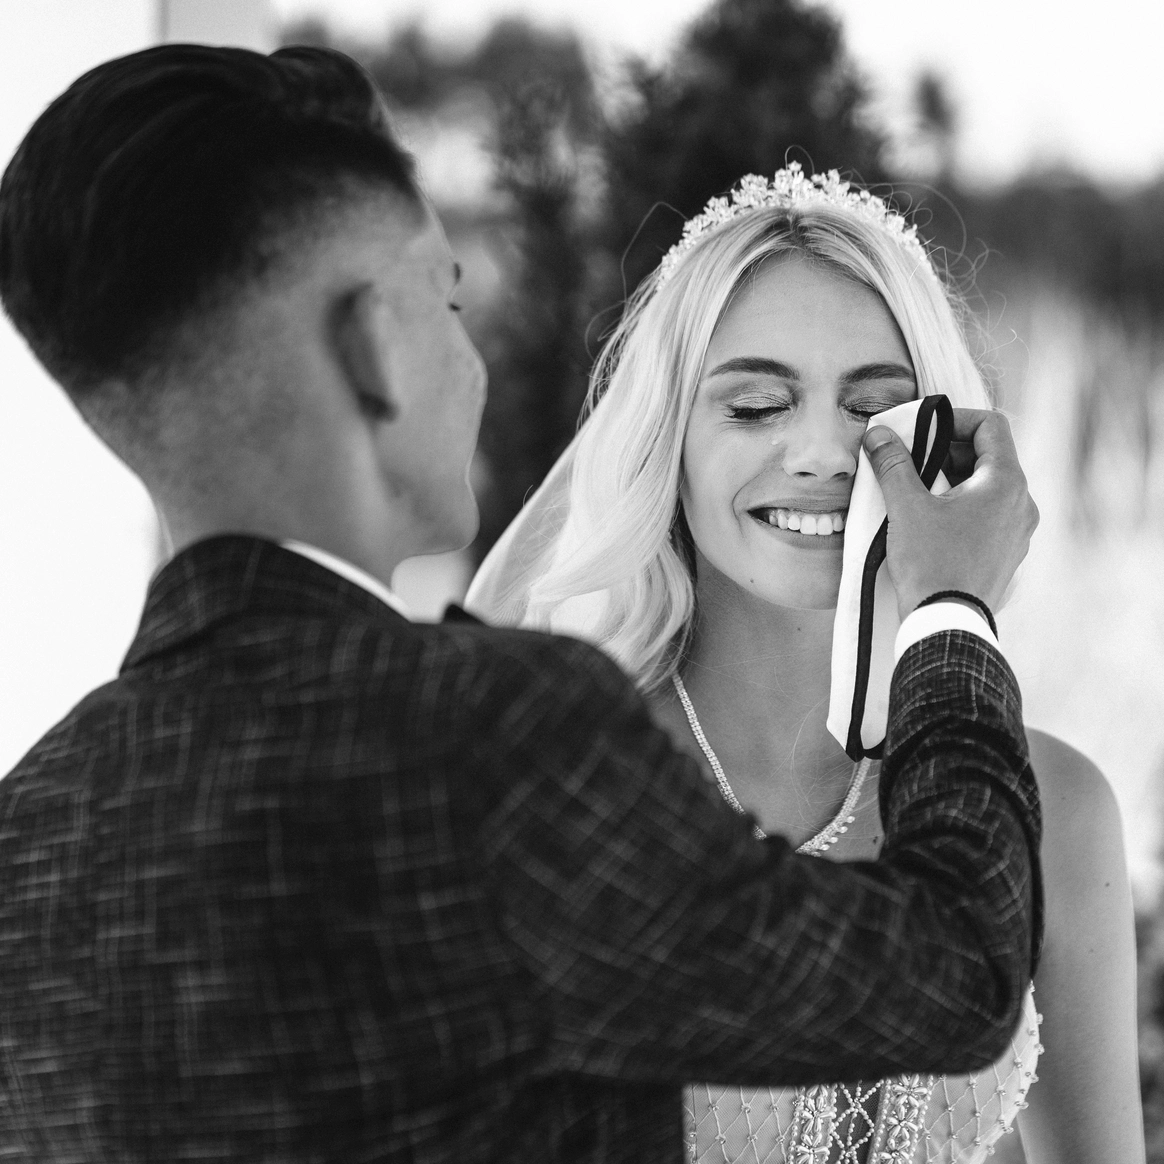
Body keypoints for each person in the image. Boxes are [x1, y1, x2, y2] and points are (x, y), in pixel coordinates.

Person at [0, 46, 1042, 1163]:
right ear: (374, 345)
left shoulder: (32, 832)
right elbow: (959, 974)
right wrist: (949, 613)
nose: (476, 363)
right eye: (448, 299)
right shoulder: (493, 732)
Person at [468, 167, 1144, 1162]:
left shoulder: (1058, 809)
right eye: (755, 406)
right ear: (667, 442)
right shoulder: (567, 781)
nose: (824, 453)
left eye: (873, 409)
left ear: (944, 447)